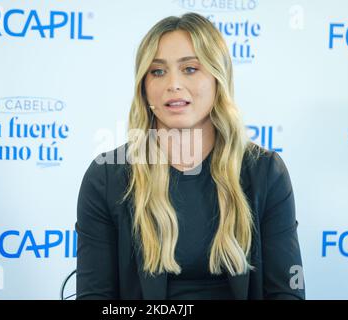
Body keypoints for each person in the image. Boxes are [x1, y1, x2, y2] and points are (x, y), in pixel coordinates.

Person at [75, 12, 305, 300]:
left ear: (217, 79)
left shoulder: (266, 172)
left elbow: (287, 292)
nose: (173, 84)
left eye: (190, 69)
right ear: (144, 89)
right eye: (157, 71)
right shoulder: (106, 177)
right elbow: (95, 297)